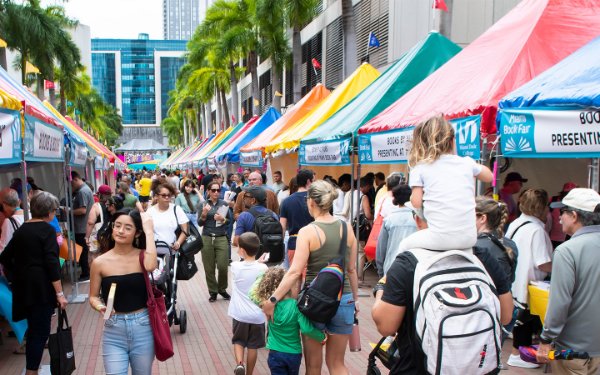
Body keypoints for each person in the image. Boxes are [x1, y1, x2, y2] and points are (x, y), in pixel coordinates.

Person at [371, 202, 513, 375]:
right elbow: (506, 316)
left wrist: (381, 289)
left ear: (418, 220)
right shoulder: (481, 256)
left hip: (418, 368)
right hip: (479, 368)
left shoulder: (407, 263)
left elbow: (386, 326)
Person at [262, 180, 359, 375]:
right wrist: (354, 300)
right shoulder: (347, 228)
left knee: (313, 367)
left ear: (311, 202)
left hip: (314, 303)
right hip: (344, 298)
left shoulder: (307, 232)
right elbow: (351, 270)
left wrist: (273, 299)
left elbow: (295, 272)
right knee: (337, 364)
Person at [0, 192, 68, 375]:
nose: (54, 214)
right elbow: (52, 264)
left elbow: (5, 257)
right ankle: (31, 371)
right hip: (41, 290)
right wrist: (60, 294)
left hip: (23, 290)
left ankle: (32, 369)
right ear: (48, 211)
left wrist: (16, 276)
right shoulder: (47, 231)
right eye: (54, 211)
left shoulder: (22, 230)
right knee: (40, 333)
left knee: (34, 331)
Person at [402, 115, 493, 252]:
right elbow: (489, 177)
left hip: (439, 238)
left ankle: (388, 274)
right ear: (452, 141)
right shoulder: (466, 162)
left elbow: (416, 202)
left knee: (404, 245)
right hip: (469, 238)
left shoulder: (420, 168)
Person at [536, 188, 600, 374]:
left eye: (562, 212)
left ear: (573, 215)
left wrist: (546, 340)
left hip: (571, 351)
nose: (558, 217)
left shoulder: (567, 251)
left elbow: (559, 303)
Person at [88, 208, 158, 375]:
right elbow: (93, 297)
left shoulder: (143, 257)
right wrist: (100, 307)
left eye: (128, 227)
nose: (120, 231)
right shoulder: (99, 262)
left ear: (137, 233)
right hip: (114, 329)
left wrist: (149, 231)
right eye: (117, 225)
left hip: (143, 326)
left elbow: (150, 266)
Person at [505, 188, 553, 369]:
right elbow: (542, 263)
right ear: (541, 207)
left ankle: (519, 353)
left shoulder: (516, 223)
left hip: (515, 280)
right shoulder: (537, 230)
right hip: (530, 283)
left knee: (520, 319)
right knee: (527, 320)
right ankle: (520, 354)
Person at [255, 267, 326, 375]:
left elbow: (254, 292)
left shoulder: (268, 306)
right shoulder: (296, 306)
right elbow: (306, 329)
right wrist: (321, 337)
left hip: (274, 353)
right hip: (293, 353)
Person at [228, 232, 268, 375]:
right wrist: (259, 262)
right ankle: (249, 373)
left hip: (239, 314)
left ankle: (239, 364)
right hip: (257, 316)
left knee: (238, 341)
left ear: (242, 251)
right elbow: (256, 268)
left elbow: (243, 265)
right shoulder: (263, 268)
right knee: (253, 346)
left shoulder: (235, 266)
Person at [199, 181, 231, 302]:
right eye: (213, 190)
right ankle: (213, 292)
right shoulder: (203, 204)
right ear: (208, 191)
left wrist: (223, 219)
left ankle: (222, 289)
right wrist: (204, 214)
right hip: (207, 237)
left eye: (218, 190)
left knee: (223, 266)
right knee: (209, 268)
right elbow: (199, 223)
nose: (216, 192)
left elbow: (229, 222)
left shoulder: (224, 204)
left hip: (221, 237)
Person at [375, 184, 416, 277]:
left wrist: (381, 271)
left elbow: (381, 249)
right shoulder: (418, 220)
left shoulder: (388, 220)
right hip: (414, 267)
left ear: (395, 198)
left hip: (391, 267)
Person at [279, 169, 314, 266]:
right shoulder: (315, 199)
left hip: (294, 243)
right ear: (308, 181)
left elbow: (282, 226)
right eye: (313, 181)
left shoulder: (286, 201)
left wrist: (280, 245)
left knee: (295, 275)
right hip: (314, 242)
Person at [146, 182, 189, 252]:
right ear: (156, 196)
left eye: (169, 195)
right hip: (153, 252)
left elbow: (185, 230)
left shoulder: (177, 209)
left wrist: (178, 243)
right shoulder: (150, 212)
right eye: (163, 195)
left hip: (172, 252)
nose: (167, 197)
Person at [71, 170, 95, 281]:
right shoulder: (86, 189)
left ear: (75, 179)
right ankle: (86, 272)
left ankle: (85, 273)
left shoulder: (82, 192)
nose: (71, 186)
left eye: (71, 183)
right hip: (82, 226)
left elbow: (82, 210)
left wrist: (69, 211)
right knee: (83, 250)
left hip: (81, 227)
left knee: (82, 251)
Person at [85, 185, 113, 260]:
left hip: (96, 237)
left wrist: (87, 237)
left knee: (94, 258)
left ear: (99, 195)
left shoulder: (96, 206)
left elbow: (91, 222)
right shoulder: (113, 206)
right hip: (109, 237)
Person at [548, 182, 578, 248]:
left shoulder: (578, 203)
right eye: (566, 193)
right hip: (552, 237)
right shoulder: (553, 200)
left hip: (570, 237)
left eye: (571, 193)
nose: (568, 195)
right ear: (563, 192)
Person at [0, 188, 25, 253]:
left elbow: (2, 249)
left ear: (4, 205)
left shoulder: (9, 222)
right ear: (19, 201)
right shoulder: (31, 215)